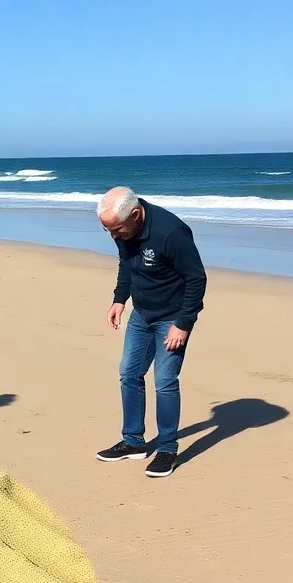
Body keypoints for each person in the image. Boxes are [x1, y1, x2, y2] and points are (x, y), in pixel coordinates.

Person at [95, 186, 207, 478]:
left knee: (165, 381)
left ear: (135, 214)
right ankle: (133, 441)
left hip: (172, 318)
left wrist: (183, 323)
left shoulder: (171, 233)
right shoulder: (124, 231)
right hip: (141, 314)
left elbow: (196, 279)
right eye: (108, 231)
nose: (114, 236)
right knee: (129, 373)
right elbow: (126, 266)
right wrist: (120, 299)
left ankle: (168, 449)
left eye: (116, 230)